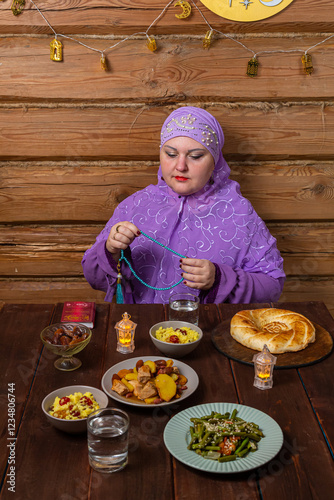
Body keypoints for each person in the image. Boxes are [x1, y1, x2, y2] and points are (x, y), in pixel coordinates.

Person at [82, 106, 285, 304]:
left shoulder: (239, 213)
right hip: (138, 330)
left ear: (215, 161)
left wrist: (219, 278)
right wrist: (111, 249)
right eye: (171, 154)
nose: (180, 166)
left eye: (195, 156)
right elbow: (94, 277)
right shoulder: (136, 205)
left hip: (206, 333)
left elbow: (272, 287)